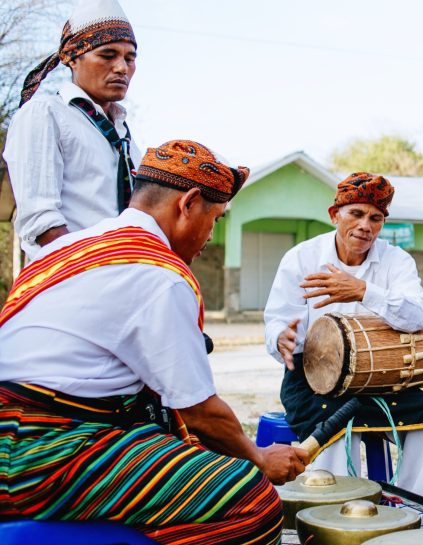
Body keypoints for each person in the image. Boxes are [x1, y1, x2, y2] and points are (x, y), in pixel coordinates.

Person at [0, 140, 306, 544]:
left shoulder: (66, 248)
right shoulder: (158, 273)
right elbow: (199, 412)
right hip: (40, 452)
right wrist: (259, 457)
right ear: (189, 204)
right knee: (251, 500)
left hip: (24, 430)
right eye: (214, 219)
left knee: (195, 449)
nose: (211, 236)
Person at [264, 172, 423, 499]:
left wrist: (363, 291)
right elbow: (276, 321)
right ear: (335, 215)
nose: (366, 225)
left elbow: (421, 314)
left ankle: (413, 509)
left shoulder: (396, 260)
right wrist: (282, 339)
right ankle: (335, 513)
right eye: (356, 214)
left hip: (379, 378)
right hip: (312, 377)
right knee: (331, 420)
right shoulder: (301, 258)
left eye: (375, 218)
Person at [4, 0, 142, 261]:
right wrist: (96, 271)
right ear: (72, 58)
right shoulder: (45, 114)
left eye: (130, 58)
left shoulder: (126, 138)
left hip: (121, 280)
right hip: (69, 282)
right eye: (108, 55)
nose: (122, 67)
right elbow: (41, 222)